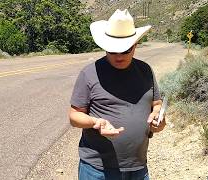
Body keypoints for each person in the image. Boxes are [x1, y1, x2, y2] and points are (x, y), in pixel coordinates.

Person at [69, 9, 166, 180]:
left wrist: (159, 119)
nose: (118, 56)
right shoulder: (89, 73)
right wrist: (95, 122)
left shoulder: (145, 71)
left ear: (135, 45)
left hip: (138, 168)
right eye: (112, 50)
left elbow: (156, 104)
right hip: (98, 170)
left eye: (125, 50)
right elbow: (74, 116)